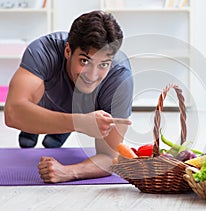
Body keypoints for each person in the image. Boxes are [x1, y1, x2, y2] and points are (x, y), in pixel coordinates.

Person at [4, 10, 133, 183]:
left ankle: (56, 134)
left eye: (103, 64)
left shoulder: (120, 77)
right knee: (27, 130)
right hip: (46, 100)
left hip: (85, 105)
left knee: (54, 140)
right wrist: (78, 123)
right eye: (84, 61)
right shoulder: (43, 50)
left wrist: (68, 172)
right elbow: (13, 112)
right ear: (67, 51)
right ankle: (35, 129)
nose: (92, 75)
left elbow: (110, 157)